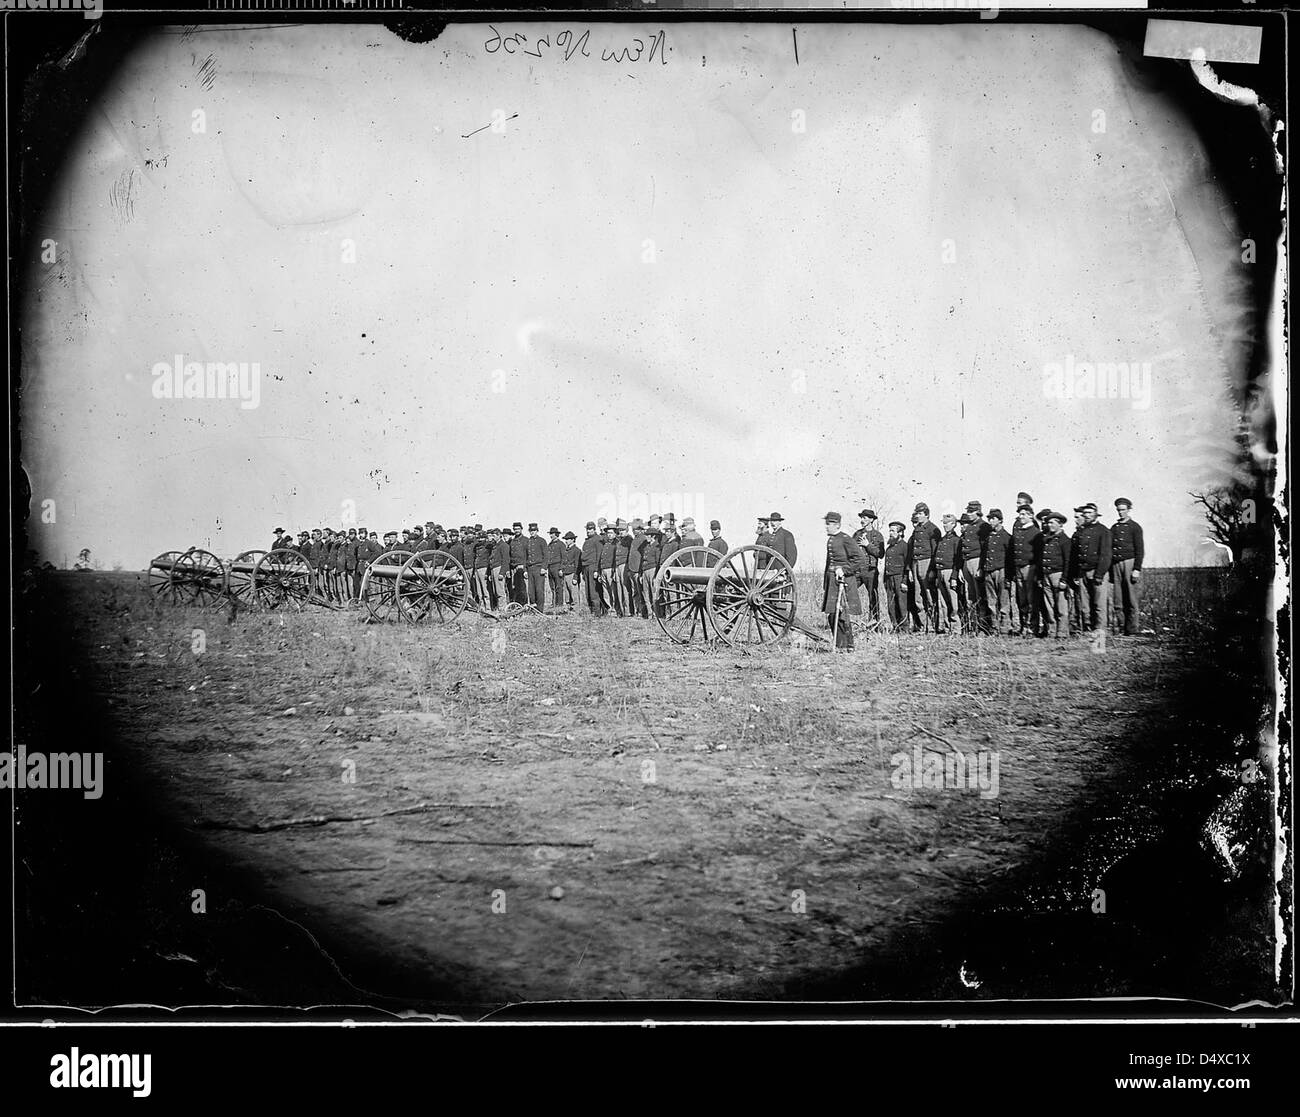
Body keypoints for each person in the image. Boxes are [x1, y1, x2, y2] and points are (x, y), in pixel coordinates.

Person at [822, 512, 864, 650]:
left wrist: (844, 570)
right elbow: (829, 563)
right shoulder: (831, 539)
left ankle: (848, 645)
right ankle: (839, 644)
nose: (826, 527)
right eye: (826, 523)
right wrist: (826, 583)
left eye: (829, 524)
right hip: (832, 581)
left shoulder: (845, 539)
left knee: (842, 614)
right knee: (833, 614)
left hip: (843, 581)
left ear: (837, 525)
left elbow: (859, 559)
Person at [1068, 502, 1112, 633]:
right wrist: (1076, 574)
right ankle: (1087, 630)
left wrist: (1099, 574)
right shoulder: (1082, 531)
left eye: (1089, 513)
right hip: (1083, 573)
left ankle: (1100, 633)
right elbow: (1076, 555)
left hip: (1097, 572)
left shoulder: (1103, 530)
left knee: (1099, 604)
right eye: (1085, 513)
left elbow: (1106, 554)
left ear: (1096, 515)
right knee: (1085, 605)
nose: (1087, 515)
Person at [1109, 497, 1144, 635]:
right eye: (1118, 510)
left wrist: (1137, 569)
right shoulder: (1114, 527)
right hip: (1116, 564)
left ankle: (1132, 629)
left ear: (1129, 510)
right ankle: (1121, 627)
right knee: (1118, 599)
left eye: (1123, 510)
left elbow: (1140, 550)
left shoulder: (1135, 527)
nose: (1120, 513)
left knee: (1131, 598)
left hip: (1129, 562)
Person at [908, 502, 942, 632]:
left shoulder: (933, 529)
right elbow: (912, 550)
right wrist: (910, 568)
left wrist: (933, 569)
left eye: (920, 513)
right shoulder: (916, 529)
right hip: (916, 563)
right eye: (917, 513)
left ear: (927, 515)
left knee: (929, 594)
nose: (918, 516)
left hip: (927, 562)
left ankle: (934, 625)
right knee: (918, 596)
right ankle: (923, 625)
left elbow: (936, 551)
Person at [959, 501, 992, 633]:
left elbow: (986, 548)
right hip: (967, 562)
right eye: (968, 511)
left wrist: (981, 567)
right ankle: (975, 625)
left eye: (971, 511)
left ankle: (984, 626)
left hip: (977, 561)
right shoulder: (970, 527)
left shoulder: (984, 526)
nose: (969, 514)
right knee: (971, 596)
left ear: (978, 512)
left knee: (981, 595)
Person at [1010, 504, 1043, 637]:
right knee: (1022, 599)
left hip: (1030, 569)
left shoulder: (1035, 532)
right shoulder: (1018, 532)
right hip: (1018, 568)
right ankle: (1024, 625)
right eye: (1020, 514)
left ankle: (1032, 628)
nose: (1021, 517)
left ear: (1030, 515)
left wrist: (1036, 573)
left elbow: (1039, 555)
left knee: (1031, 600)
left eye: (1024, 514)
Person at [1040, 511, 1073, 638]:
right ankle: (1052, 631)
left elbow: (1067, 561)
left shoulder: (1065, 540)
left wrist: (1064, 579)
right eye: (1048, 522)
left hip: (1058, 575)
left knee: (1061, 606)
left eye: (1052, 523)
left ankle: (1062, 632)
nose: (1050, 525)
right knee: (1049, 605)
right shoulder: (1047, 539)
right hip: (1046, 575)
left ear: (1060, 524)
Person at [983, 509, 1013, 634]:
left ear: (1000, 520)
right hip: (989, 571)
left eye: (993, 518)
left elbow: (1010, 558)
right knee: (991, 601)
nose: (990, 521)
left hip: (1002, 571)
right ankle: (994, 627)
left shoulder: (1007, 537)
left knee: (1004, 601)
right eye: (989, 518)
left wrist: (1009, 577)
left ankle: (1005, 627)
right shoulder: (989, 537)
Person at [853, 509, 884, 625]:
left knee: (873, 597)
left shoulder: (878, 535)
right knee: (847, 590)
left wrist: (867, 545)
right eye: (861, 518)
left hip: (870, 571)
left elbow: (880, 553)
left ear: (871, 520)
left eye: (865, 518)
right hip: (857, 570)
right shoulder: (857, 534)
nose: (862, 520)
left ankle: (874, 624)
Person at [933, 513, 962, 633]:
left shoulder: (956, 540)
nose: (945, 526)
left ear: (954, 524)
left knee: (953, 602)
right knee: (942, 602)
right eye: (943, 523)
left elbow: (958, 560)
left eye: (947, 523)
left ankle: (956, 628)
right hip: (940, 572)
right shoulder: (942, 540)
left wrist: (954, 576)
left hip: (950, 573)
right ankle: (946, 626)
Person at [882, 521, 910, 631]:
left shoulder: (904, 546)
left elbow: (907, 565)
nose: (890, 533)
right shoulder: (889, 548)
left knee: (902, 605)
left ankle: (905, 629)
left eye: (893, 531)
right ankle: (895, 627)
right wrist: (885, 581)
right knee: (891, 605)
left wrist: (904, 581)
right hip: (889, 579)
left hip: (899, 578)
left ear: (901, 532)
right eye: (890, 530)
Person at [579, 521, 605, 616]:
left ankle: (597, 612)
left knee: (594, 591)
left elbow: (599, 555)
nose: (588, 531)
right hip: (586, 567)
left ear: (594, 529)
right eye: (587, 529)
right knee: (588, 591)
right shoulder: (587, 541)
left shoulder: (598, 539)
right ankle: (592, 611)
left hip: (592, 567)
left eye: (590, 529)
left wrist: (596, 570)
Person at [626, 519, 647, 617]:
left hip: (638, 570)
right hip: (632, 569)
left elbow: (644, 556)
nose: (634, 530)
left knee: (641, 592)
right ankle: (637, 610)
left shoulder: (643, 539)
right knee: (635, 592)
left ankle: (643, 612)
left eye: (636, 528)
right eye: (633, 528)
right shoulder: (634, 539)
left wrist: (641, 571)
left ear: (641, 529)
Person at [525, 522, 547, 608]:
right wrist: (525, 570)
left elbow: (546, 555)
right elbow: (525, 556)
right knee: (531, 590)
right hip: (530, 568)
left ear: (537, 531)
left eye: (534, 530)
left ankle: (540, 608)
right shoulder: (528, 542)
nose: (532, 532)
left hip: (539, 568)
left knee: (539, 589)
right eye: (531, 530)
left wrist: (544, 567)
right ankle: (533, 608)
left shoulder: (542, 541)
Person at [508, 522, 529, 605]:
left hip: (521, 567)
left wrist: (525, 568)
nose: (516, 531)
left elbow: (528, 555)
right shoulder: (512, 542)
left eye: (518, 529)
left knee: (523, 588)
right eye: (515, 529)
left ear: (521, 529)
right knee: (515, 588)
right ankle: (518, 605)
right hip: (513, 568)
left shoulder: (526, 540)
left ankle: (525, 605)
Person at [545, 527, 566, 610]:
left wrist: (561, 569)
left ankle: (559, 603)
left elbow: (564, 558)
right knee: (552, 586)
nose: (551, 535)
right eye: (550, 534)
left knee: (559, 586)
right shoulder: (549, 544)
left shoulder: (561, 544)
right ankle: (554, 603)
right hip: (550, 567)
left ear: (556, 534)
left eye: (552, 534)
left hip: (557, 567)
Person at [561, 531, 580, 609]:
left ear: (573, 540)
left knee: (574, 594)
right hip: (566, 573)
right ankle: (568, 609)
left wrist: (575, 577)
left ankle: (575, 610)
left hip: (572, 574)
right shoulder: (566, 550)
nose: (566, 541)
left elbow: (577, 565)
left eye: (568, 539)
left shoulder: (576, 550)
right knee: (567, 594)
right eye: (566, 539)